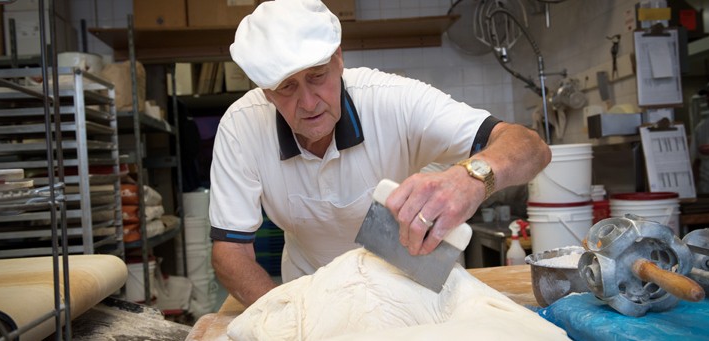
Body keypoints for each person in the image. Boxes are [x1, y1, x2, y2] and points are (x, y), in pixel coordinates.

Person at [209, 0, 551, 307]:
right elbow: (230, 252)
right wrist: (282, 317)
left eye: (317, 76)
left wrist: (473, 177)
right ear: (266, 92)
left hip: (416, 294)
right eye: (287, 87)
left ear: (338, 59)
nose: (309, 103)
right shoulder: (241, 128)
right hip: (312, 300)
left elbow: (530, 147)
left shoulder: (392, 100)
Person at [691, 80, 709, 194]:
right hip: (707, 189)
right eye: (708, 95)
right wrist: (693, 189)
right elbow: (697, 161)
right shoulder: (702, 127)